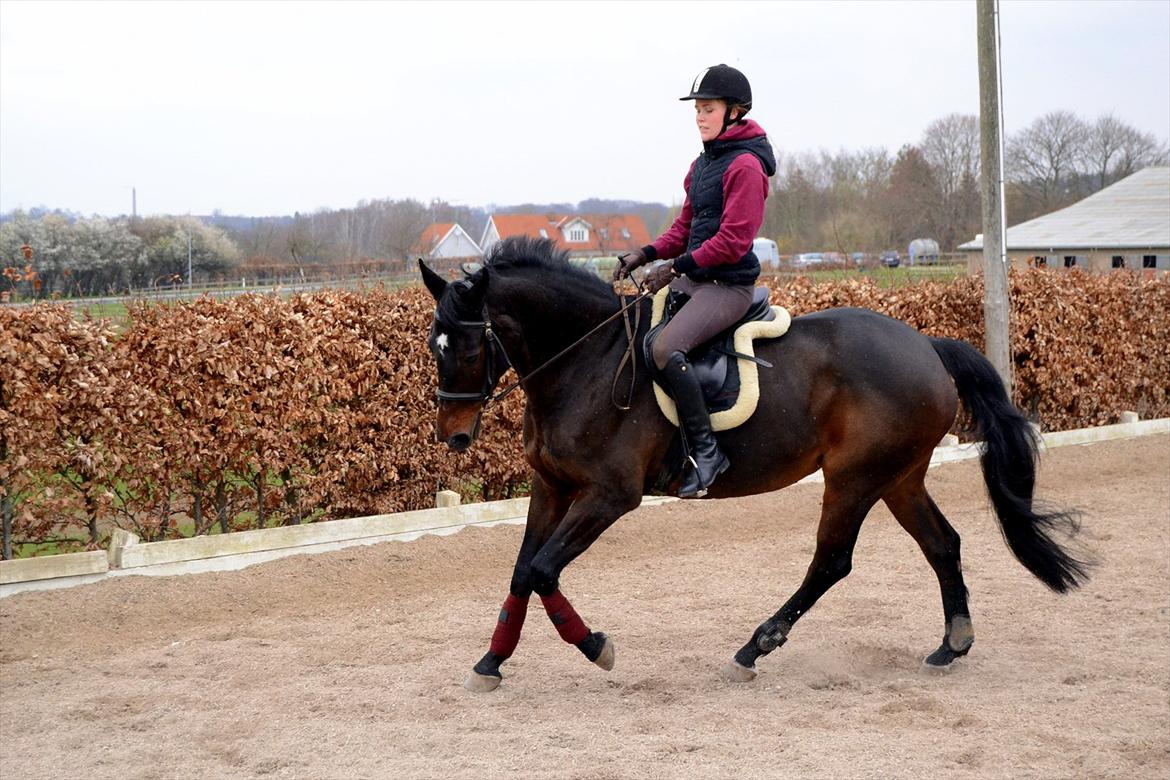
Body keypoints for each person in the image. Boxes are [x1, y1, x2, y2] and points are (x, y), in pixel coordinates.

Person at [613, 63, 777, 498]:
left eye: (708, 109)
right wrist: (643, 254)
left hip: (727, 287)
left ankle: (708, 453)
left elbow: (732, 241)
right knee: (640, 337)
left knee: (667, 348)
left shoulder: (745, 166)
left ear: (735, 112)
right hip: (696, 280)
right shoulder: (703, 165)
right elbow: (683, 228)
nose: (700, 117)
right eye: (697, 110)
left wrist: (676, 267)